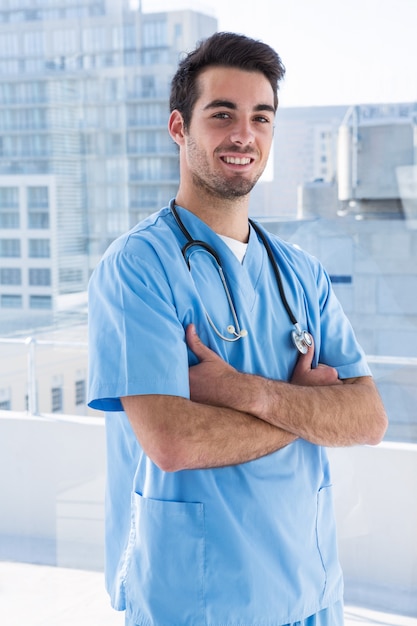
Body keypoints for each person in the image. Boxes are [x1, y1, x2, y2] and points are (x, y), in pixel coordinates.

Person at [88, 31, 388, 626]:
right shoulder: (139, 267)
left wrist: (247, 393)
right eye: (221, 114)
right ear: (179, 127)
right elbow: (174, 443)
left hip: (311, 590)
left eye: (261, 117)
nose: (243, 135)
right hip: (196, 598)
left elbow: (369, 418)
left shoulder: (300, 272)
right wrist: (307, 411)